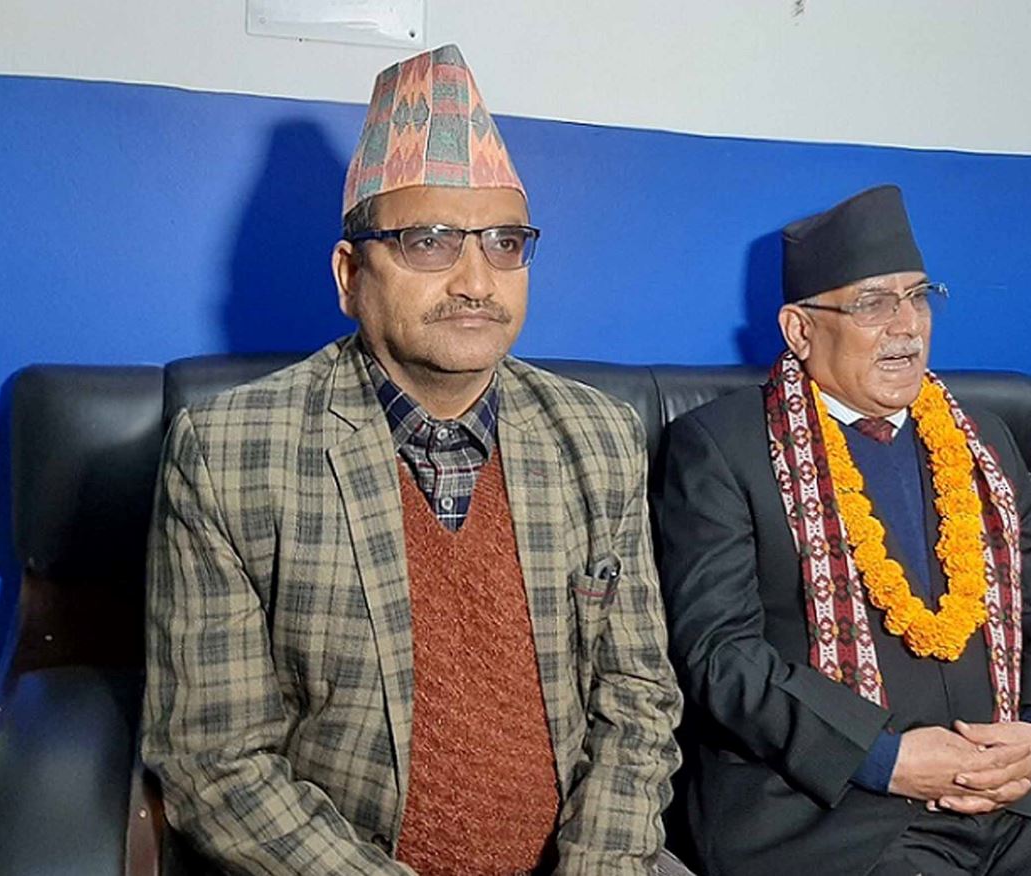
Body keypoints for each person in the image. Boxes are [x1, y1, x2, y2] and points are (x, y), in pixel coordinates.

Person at [143, 44, 682, 876]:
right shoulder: (230, 452)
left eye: (505, 243)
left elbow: (637, 700)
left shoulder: (598, 435)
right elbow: (215, 763)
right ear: (349, 274)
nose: (476, 281)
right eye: (429, 242)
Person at [654, 185, 1031, 875]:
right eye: (872, 303)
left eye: (919, 297)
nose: (907, 327)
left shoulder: (985, 442)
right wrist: (882, 757)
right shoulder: (719, 446)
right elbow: (719, 652)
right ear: (799, 330)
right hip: (827, 808)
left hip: (1017, 797)